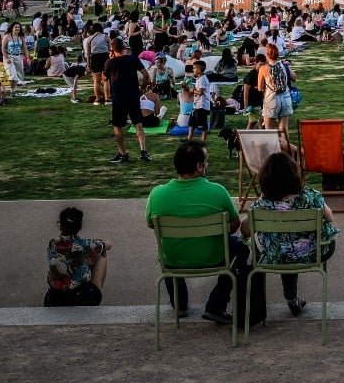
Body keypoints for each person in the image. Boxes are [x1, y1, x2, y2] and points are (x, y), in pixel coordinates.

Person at [145, 141, 259, 326]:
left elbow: (152, 224)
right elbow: (235, 225)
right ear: (199, 166)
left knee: (165, 251)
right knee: (240, 248)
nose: (208, 164)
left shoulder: (157, 194)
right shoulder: (218, 192)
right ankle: (216, 304)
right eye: (206, 161)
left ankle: (180, 305)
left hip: (174, 259)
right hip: (214, 257)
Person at [244, 151, 340, 319]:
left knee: (284, 247)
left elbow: (245, 230)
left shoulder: (262, 204)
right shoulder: (310, 196)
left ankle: (288, 300)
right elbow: (329, 217)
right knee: (296, 244)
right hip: (311, 254)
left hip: (275, 255)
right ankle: (292, 300)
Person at [44, 206, 110, 307]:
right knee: (101, 253)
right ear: (80, 226)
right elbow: (109, 244)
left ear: (60, 225)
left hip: (54, 299)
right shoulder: (86, 245)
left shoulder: (52, 244)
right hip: (82, 298)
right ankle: (96, 292)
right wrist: (100, 245)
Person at [105, 36, 152, 164]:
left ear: (112, 50)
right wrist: (142, 88)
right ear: (124, 48)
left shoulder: (110, 63)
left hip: (119, 97)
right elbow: (146, 75)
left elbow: (105, 79)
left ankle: (122, 153)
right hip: (133, 95)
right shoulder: (133, 59)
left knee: (118, 126)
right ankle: (143, 151)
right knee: (138, 123)